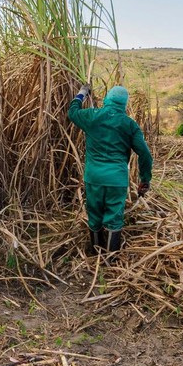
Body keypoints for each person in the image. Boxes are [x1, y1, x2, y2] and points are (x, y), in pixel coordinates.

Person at [67, 84, 153, 259]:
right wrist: (145, 179)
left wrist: (82, 94)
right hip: (117, 180)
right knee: (114, 217)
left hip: (94, 177)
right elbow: (145, 154)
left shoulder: (92, 116)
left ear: (107, 99)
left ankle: (95, 255)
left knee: (94, 214)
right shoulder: (130, 125)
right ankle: (111, 259)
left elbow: (73, 112)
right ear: (124, 104)